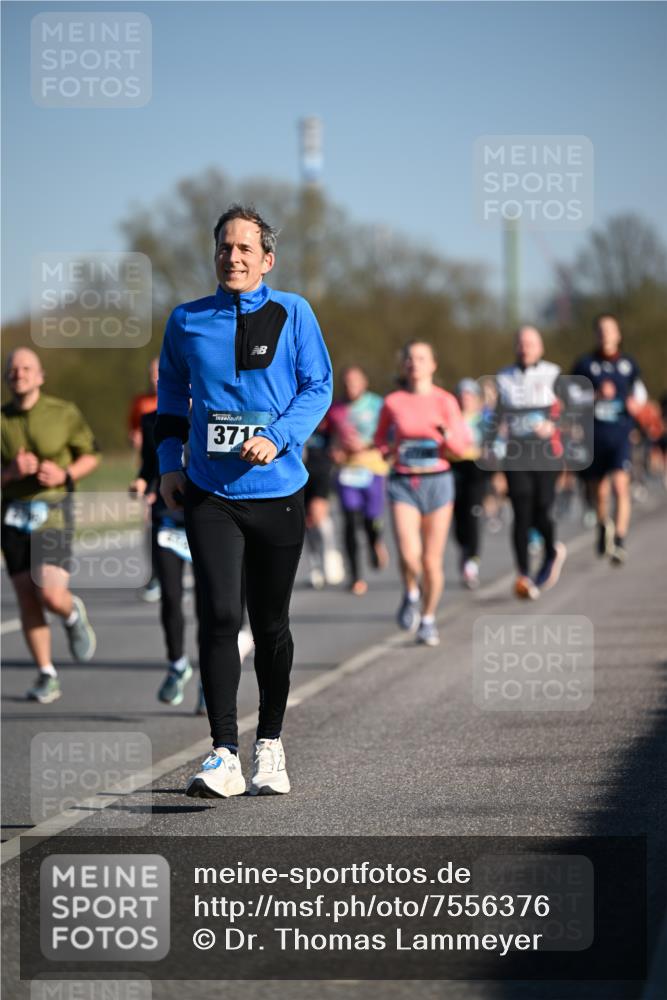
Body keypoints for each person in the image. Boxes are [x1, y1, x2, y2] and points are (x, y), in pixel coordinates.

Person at [155, 204, 332, 797]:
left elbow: (318, 388)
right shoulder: (186, 321)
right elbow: (172, 394)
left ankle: (271, 746)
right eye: (224, 248)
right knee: (220, 616)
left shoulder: (295, 313)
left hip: (278, 491)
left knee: (271, 623)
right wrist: (167, 464)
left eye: (245, 249)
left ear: (266, 260)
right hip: (211, 493)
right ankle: (224, 754)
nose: (233, 257)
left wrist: (276, 436)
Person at [130, 407, 255, 714]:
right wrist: (141, 483)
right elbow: (150, 464)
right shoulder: (153, 421)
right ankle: (177, 665)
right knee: (170, 597)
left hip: (207, 519)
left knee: (208, 604)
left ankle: (207, 680)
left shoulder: (217, 414)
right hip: (168, 520)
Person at [1, 348, 99, 703]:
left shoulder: (63, 413)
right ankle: (46, 673)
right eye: (12, 369)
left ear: (40, 376)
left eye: (26, 368)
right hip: (13, 516)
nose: (19, 374)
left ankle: (71, 614)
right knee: (27, 597)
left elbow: (91, 453)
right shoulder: (2, 420)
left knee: (49, 592)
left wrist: (65, 473)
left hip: (53, 512)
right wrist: (10, 474)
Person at [374, 341, 471, 647]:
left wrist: (446, 435)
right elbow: (379, 440)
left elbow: (460, 447)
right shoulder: (393, 402)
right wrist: (386, 450)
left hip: (438, 481)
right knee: (408, 555)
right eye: (410, 359)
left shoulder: (446, 402)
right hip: (404, 481)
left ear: (433, 365)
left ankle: (428, 620)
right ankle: (411, 592)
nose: (414, 363)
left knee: (431, 561)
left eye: (421, 358)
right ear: (404, 366)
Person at [494, 325, 567, 599]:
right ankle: (523, 575)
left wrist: (553, 424)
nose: (525, 348)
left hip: (546, 451)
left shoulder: (554, 373)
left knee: (541, 509)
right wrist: (494, 443)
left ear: (541, 347)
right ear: (515, 347)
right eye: (521, 343)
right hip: (516, 452)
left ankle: (551, 551)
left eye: (531, 343)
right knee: (521, 510)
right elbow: (498, 415)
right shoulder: (504, 377)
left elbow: (574, 408)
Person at [572, 314, 647, 564]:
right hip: (594, 436)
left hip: (620, 435)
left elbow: (640, 395)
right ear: (596, 335)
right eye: (601, 330)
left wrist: (635, 405)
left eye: (610, 330)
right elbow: (571, 396)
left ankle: (620, 541)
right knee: (600, 493)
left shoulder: (629, 365)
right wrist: (594, 396)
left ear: (618, 335)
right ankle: (604, 526)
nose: (605, 335)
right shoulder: (585, 365)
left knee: (620, 486)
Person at [328, 365, 389, 595]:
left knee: (371, 519)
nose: (350, 387)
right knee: (350, 522)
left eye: (354, 382)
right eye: (346, 382)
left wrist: (366, 445)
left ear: (365, 383)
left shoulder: (377, 405)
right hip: (346, 472)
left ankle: (375, 541)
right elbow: (326, 438)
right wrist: (335, 451)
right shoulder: (335, 409)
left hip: (373, 468)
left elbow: (389, 434)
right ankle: (356, 576)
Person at [451, 378, 489, 590]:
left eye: (469, 396)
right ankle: (465, 549)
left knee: (473, 515)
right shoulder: (450, 418)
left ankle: (472, 562)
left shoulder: (484, 419)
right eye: (462, 396)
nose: (465, 400)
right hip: (454, 467)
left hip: (476, 469)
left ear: (476, 399)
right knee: (458, 519)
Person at [303, 415, 345, 590]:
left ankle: (331, 555)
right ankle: (315, 566)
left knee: (318, 514)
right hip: (301, 474)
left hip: (322, 473)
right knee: (308, 523)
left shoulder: (330, 419)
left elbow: (341, 440)